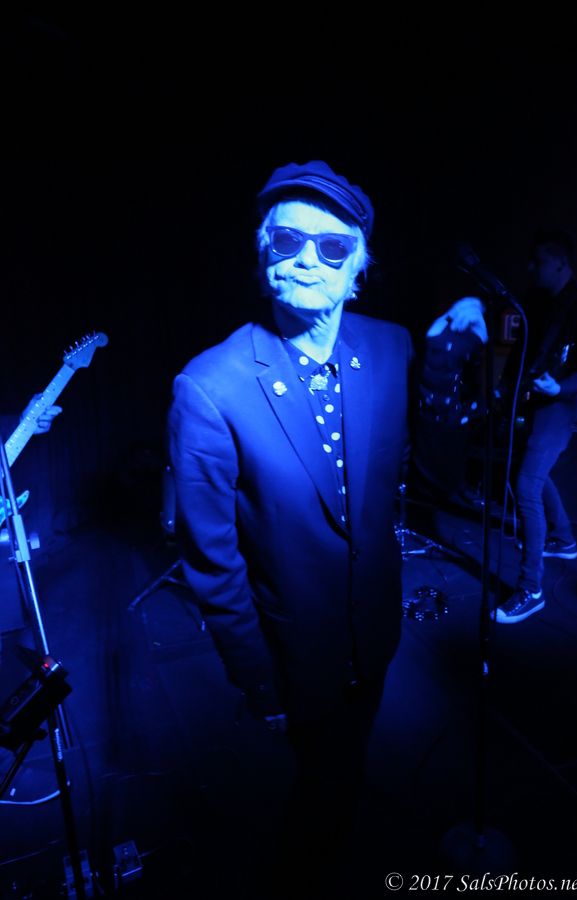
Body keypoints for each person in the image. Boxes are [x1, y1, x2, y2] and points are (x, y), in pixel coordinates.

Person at [167, 160, 485, 889]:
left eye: (333, 247)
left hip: (374, 631)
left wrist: (446, 365)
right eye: (289, 241)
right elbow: (212, 562)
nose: (309, 259)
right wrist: (258, 682)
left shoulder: (393, 346)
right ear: (263, 253)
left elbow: (437, 470)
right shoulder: (209, 388)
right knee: (320, 793)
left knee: (346, 770)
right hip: (293, 658)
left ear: (358, 269)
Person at [494, 229, 577, 624]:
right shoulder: (537, 302)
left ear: (560, 264)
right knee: (529, 475)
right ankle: (565, 539)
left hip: (559, 407)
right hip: (535, 402)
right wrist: (506, 387)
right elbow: (524, 351)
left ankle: (531, 588)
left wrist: (560, 387)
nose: (531, 268)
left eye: (539, 262)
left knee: (525, 485)